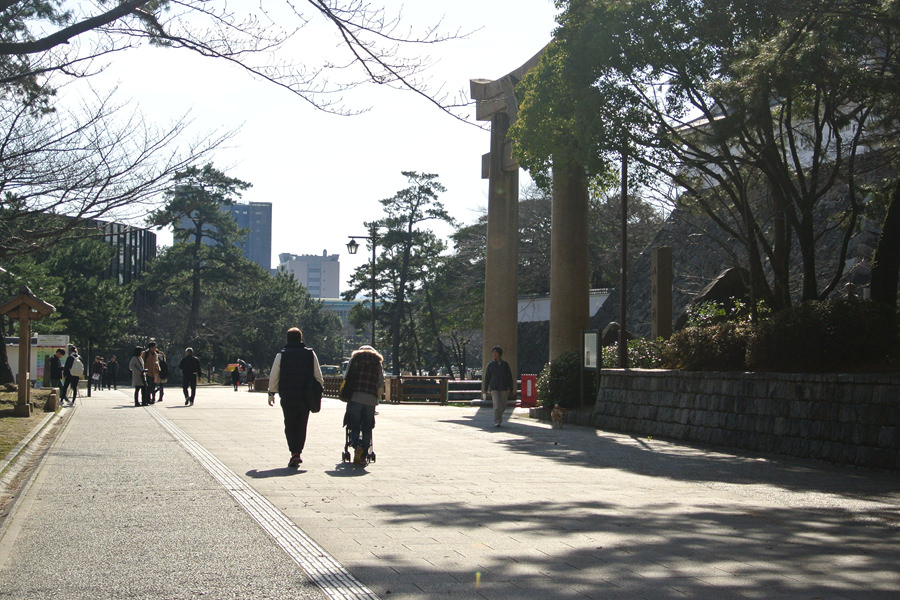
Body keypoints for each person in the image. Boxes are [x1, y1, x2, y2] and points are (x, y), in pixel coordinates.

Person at [267, 328, 324, 468]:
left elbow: (274, 375)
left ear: (287, 339)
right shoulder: (310, 354)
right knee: (302, 425)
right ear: (301, 338)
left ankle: (293, 452)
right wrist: (319, 391)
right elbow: (318, 375)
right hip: (305, 396)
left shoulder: (281, 355)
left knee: (290, 424)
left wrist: (271, 393)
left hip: (288, 396)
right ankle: (298, 452)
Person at [341, 345, 384, 465]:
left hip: (355, 397)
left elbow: (346, 376)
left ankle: (357, 447)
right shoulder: (377, 362)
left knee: (354, 426)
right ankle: (364, 451)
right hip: (370, 399)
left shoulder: (355, 360)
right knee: (367, 427)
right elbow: (381, 382)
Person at [482, 345, 514, 427]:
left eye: (496, 352)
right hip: (494, 387)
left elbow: (509, 376)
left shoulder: (505, 364)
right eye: (493, 353)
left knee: (503, 405)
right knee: (496, 405)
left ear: (500, 353)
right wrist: (485, 389)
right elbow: (487, 377)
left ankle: (499, 416)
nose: (494, 354)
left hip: (503, 387)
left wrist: (511, 388)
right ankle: (497, 420)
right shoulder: (490, 365)